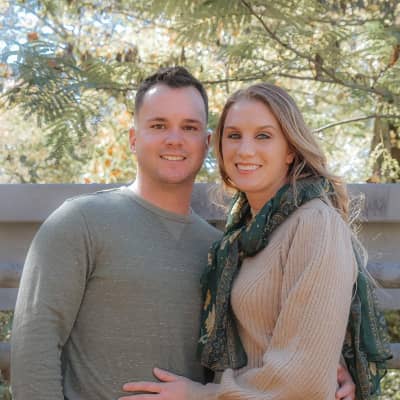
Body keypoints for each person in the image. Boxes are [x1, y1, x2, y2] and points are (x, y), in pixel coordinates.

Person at [11, 68, 354, 400]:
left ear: (206, 143)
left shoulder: (221, 248)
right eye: (158, 125)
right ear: (133, 138)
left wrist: (330, 369)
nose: (174, 139)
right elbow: (34, 344)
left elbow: (271, 334)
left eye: (189, 127)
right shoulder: (80, 222)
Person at [121, 83, 358, 400]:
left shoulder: (314, 223)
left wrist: (199, 395)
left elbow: (303, 382)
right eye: (234, 135)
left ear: (290, 149)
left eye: (263, 136)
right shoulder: (240, 237)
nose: (245, 150)